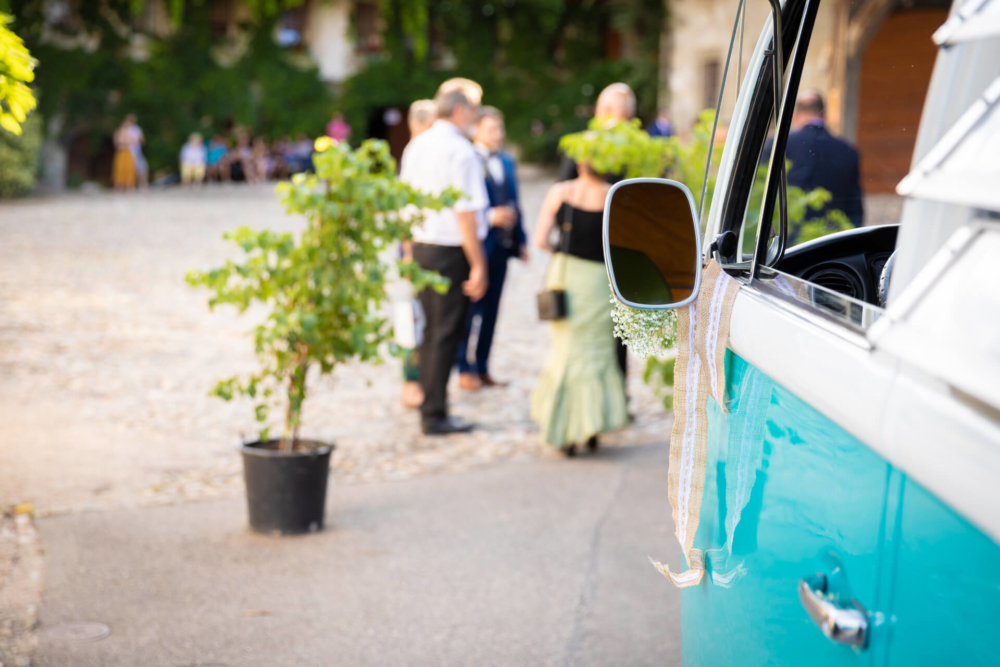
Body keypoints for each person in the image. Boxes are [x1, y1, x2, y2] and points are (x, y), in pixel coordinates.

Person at [399, 86, 489, 435]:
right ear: (460, 110)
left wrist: (407, 251)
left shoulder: (417, 144)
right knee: (445, 332)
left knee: (430, 330)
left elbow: (403, 202)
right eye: (474, 110)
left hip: (422, 246)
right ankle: (434, 411)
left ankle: (432, 404)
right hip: (450, 250)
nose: (476, 117)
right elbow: (465, 213)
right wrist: (478, 264)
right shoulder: (460, 150)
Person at [531, 162, 629, 456]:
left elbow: (540, 240)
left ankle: (563, 430)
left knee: (565, 352)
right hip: (599, 283)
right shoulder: (614, 195)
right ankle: (591, 426)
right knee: (597, 352)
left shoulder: (561, 192)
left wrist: (563, 254)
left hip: (567, 277)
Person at [556, 82, 636, 394]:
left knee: (619, 327)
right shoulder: (582, 145)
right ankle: (600, 392)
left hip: (620, 249)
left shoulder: (639, 149)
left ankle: (614, 393)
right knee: (596, 325)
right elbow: (564, 190)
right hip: (590, 251)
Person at [455, 106, 526, 390]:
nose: (498, 134)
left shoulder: (507, 161)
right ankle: (464, 367)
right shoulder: (466, 158)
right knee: (471, 309)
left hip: (503, 246)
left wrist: (522, 239)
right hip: (477, 244)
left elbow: (515, 199)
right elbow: (461, 207)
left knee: (493, 310)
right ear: (477, 131)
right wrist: (489, 216)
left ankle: (483, 365)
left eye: (500, 128)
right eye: (491, 129)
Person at [399, 98, 440, 410]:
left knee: (422, 315)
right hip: (413, 245)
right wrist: (408, 250)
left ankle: (425, 376)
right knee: (410, 315)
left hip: (423, 243)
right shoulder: (417, 151)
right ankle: (411, 378)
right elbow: (405, 207)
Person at [782, 90, 864, 229]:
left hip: (789, 240)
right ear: (824, 113)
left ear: (796, 116)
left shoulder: (780, 146)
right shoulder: (849, 150)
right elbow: (854, 207)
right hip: (832, 239)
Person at [556, 82, 636, 183]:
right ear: (631, 115)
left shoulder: (580, 145)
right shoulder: (643, 150)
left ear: (601, 111)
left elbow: (562, 186)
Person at [123, 114, 148, 189]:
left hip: (137, 151)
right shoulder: (125, 129)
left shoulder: (137, 129)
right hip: (128, 152)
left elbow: (142, 140)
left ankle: (143, 184)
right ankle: (130, 185)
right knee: (130, 169)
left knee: (142, 167)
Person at [112, 119, 137, 190]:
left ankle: (129, 186)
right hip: (121, 151)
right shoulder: (118, 132)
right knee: (120, 168)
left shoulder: (130, 133)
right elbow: (117, 142)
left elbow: (132, 141)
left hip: (128, 151)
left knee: (129, 169)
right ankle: (119, 186)